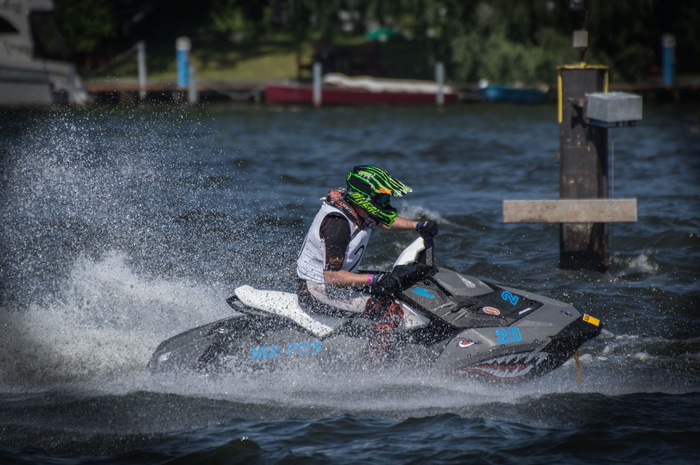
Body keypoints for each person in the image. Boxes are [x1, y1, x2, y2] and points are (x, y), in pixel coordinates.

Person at [296, 165, 438, 363]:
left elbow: (384, 222)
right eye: (380, 198)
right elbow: (332, 276)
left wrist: (418, 226)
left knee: (398, 285)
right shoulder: (338, 224)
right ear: (363, 198)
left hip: (338, 281)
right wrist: (375, 279)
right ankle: (375, 366)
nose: (385, 203)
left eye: (386, 198)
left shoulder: (355, 209)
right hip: (317, 288)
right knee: (386, 308)